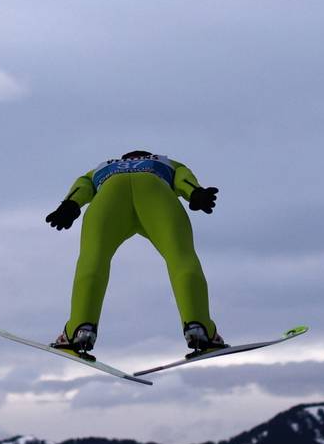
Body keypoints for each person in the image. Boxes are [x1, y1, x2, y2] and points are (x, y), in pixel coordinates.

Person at [45, 150, 225, 362]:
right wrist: (195, 193)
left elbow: (83, 185)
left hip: (109, 194)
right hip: (155, 190)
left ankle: (78, 331)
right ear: (148, 156)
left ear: (123, 159)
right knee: (181, 257)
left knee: (93, 259)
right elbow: (184, 178)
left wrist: (70, 204)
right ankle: (200, 329)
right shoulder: (166, 162)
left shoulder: (103, 167)